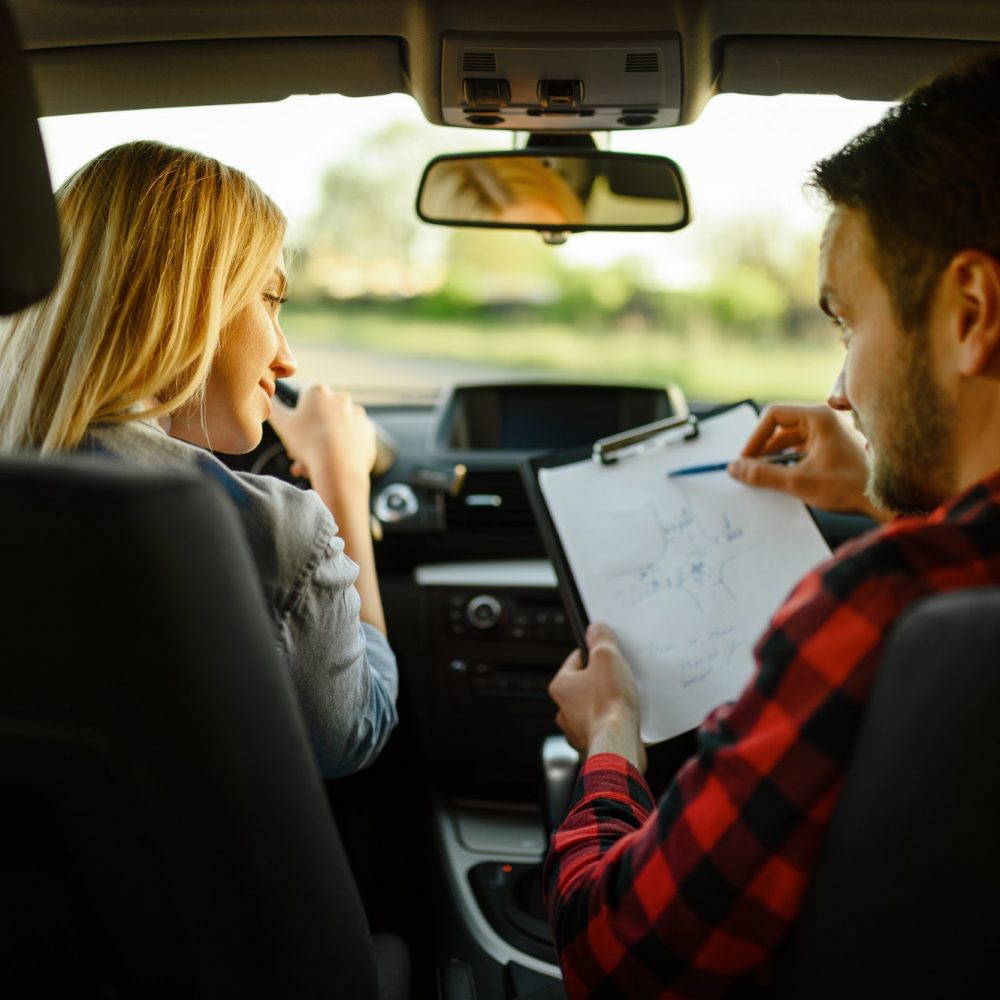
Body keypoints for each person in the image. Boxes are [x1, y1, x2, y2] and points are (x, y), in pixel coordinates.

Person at [542, 51, 1000, 997]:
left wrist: (612, 742)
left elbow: (614, 955)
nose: (839, 390)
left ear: (971, 312)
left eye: (847, 322)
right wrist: (875, 499)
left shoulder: (878, 606)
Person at [0, 139, 398, 780]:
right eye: (270, 299)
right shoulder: (273, 528)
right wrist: (341, 480)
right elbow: (354, 734)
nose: (286, 358)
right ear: (187, 302)